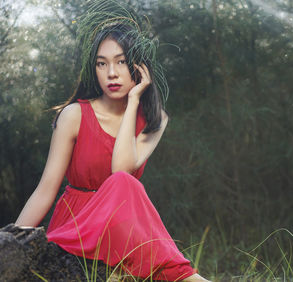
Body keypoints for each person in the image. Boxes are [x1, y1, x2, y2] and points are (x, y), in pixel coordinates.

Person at [15, 1, 209, 281]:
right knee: (125, 184)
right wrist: (12, 243)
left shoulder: (155, 121)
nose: (112, 73)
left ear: (139, 67)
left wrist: (133, 103)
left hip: (123, 230)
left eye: (121, 62)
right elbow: (46, 190)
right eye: (101, 64)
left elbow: (121, 169)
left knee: (124, 185)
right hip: (78, 227)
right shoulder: (74, 115)